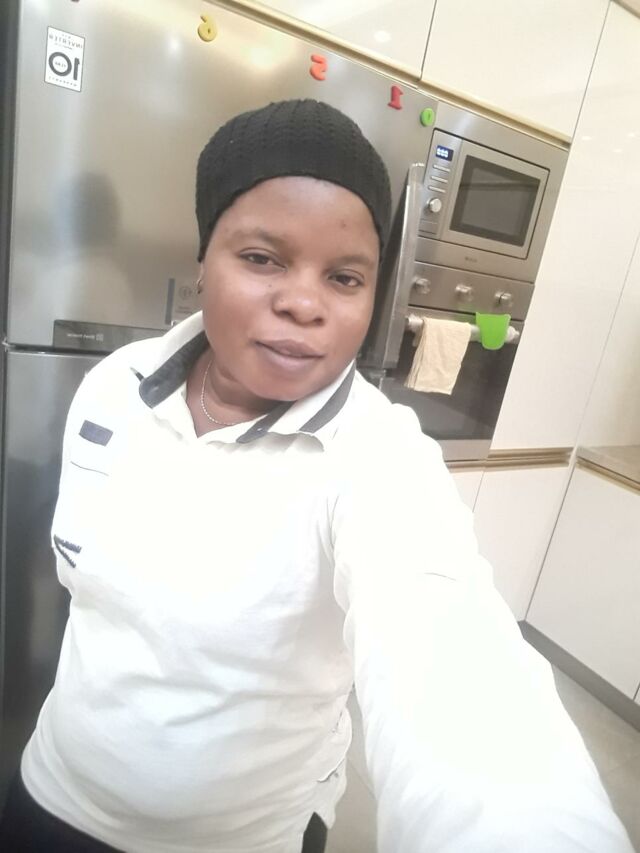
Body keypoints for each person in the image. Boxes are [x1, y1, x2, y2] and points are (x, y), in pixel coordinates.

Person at [0, 99, 633, 853]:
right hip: (53, 795)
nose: (304, 303)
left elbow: (455, 661)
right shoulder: (116, 385)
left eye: (344, 276)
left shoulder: (377, 457)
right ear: (203, 259)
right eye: (261, 258)